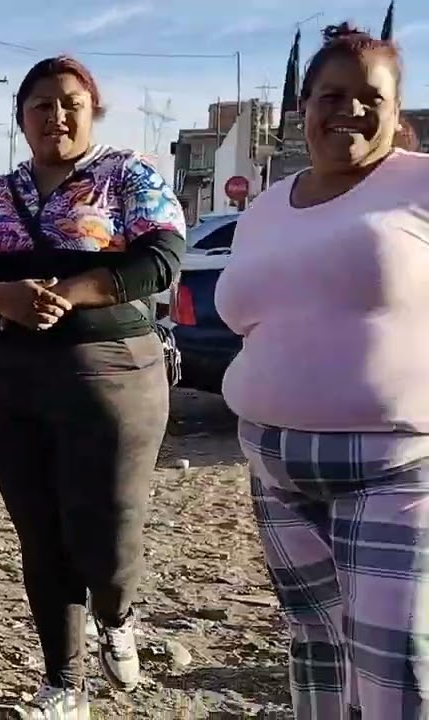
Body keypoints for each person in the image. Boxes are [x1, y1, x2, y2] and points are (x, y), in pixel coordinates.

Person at [0, 55, 186, 718]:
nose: (57, 114)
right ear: (21, 118)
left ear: (92, 110)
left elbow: (161, 258)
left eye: (71, 101)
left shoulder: (126, 175)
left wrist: (66, 293)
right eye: (41, 104)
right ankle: (62, 683)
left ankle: (117, 611)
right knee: (40, 533)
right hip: (4, 381)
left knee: (106, 529)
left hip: (111, 377)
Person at [215, 23, 429, 719]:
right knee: (316, 649)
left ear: (399, 114)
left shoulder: (420, 186)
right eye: (332, 94)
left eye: (372, 97)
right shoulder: (266, 209)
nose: (351, 110)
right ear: (303, 107)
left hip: (392, 467)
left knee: (394, 663)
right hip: (273, 466)